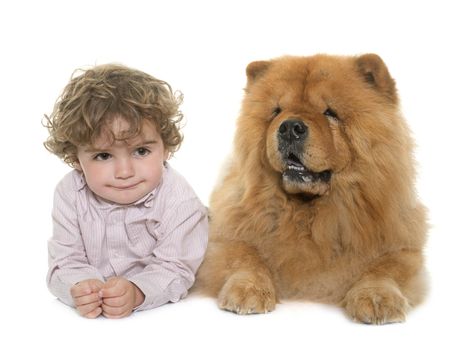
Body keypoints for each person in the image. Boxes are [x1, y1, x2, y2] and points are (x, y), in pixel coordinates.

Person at [43, 64, 208, 318]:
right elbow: (64, 261)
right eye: (103, 155)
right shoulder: (70, 194)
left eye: (141, 151)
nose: (124, 172)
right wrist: (80, 287)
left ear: (166, 148)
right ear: (75, 159)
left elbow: (176, 268)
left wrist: (138, 292)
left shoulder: (179, 199)